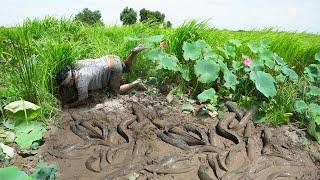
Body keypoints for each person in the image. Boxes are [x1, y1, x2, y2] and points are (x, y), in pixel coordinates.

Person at [56, 44, 147, 108]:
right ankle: (133, 53)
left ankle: (137, 82)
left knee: (115, 93)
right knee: (126, 68)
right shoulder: (76, 64)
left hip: (112, 68)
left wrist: (69, 105)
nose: (67, 86)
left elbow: (82, 100)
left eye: (66, 84)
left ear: (71, 80)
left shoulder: (81, 83)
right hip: (110, 58)